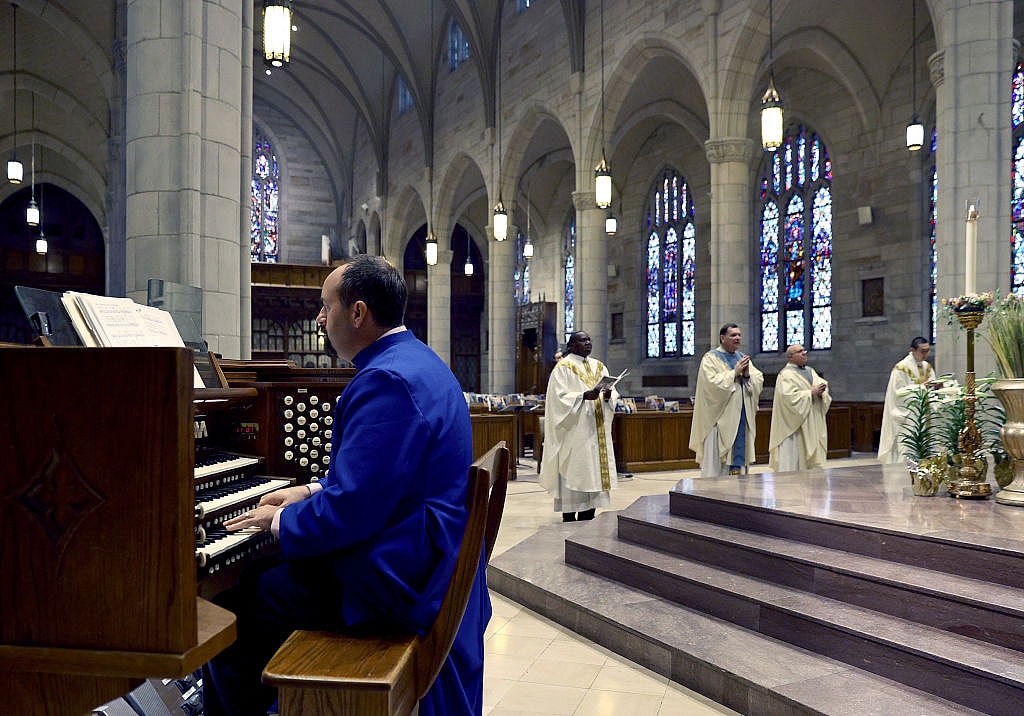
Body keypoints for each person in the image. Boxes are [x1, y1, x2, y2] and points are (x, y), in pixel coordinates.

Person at [203, 255, 488, 716]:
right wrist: (310, 491)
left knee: (236, 604)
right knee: (261, 577)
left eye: (325, 306)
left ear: (357, 313)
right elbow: (379, 480)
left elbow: (353, 510)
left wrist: (278, 522)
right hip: (423, 552)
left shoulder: (386, 380)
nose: (319, 318)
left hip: (396, 576)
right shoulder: (415, 361)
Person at [539, 330, 618, 522]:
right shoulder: (563, 368)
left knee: (594, 472)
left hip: (595, 429)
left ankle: (588, 514)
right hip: (574, 431)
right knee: (576, 469)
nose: (588, 343)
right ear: (571, 346)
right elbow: (558, 399)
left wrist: (608, 396)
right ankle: (569, 516)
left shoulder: (599, 366)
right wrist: (583, 396)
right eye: (583, 340)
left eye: (590, 339)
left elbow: (613, 393)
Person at [689, 323, 764, 476]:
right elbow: (710, 384)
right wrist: (734, 373)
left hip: (741, 418)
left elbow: (758, 379)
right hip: (720, 420)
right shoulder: (710, 358)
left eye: (739, 335)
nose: (738, 338)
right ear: (722, 338)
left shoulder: (742, 358)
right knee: (718, 466)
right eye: (733, 335)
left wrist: (748, 375)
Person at [768, 344, 831, 472]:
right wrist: (810, 393)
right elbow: (788, 398)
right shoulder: (785, 375)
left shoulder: (810, 371)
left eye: (804, 351)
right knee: (795, 458)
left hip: (811, 420)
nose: (804, 353)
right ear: (790, 357)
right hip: (794, 426)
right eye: (799, 351)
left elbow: (821, 385)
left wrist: (822, 392)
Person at [878, 336, 937, 464]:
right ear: (912, 350)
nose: (925, 354)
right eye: (922, 351)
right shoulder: (901, 368)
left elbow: (932, 388)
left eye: (927, 351)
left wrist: (937, 387)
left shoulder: (927, 367)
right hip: (908, 417)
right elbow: (897, 393)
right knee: (908, 450)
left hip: (926, 416)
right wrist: (921, 388)